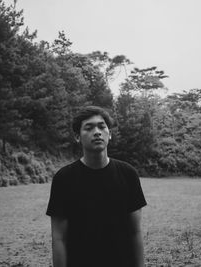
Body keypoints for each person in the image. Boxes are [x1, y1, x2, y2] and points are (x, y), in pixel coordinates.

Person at [46, 106, 147, 267]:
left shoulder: (128, 174)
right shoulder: (64, 179)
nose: (97, 132)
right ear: (77, 136)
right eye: (89, 127)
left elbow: (135, 232)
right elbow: (59, 238)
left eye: (102, 126)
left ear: (110, 134)